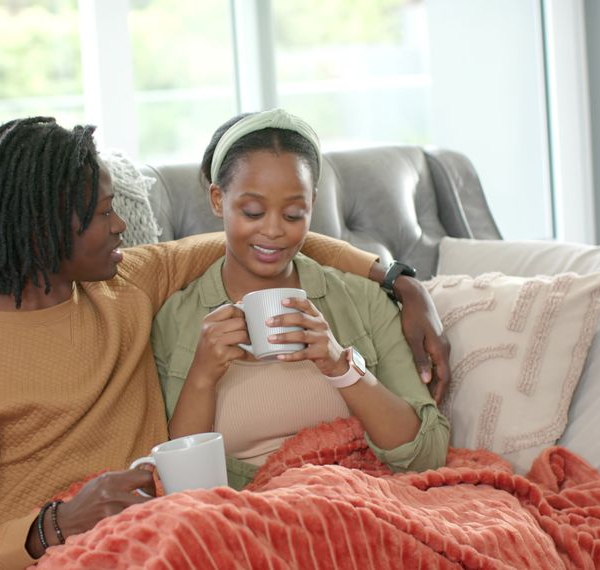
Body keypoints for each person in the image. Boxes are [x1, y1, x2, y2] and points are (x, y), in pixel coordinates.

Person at [0, 116, 450, 569]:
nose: (121, 228)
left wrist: (400, 281)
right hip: (56, 550)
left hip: (172, 530)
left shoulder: (125, 281)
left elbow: (270, 237)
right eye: (101, 214)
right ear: (43, 230)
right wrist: (55, 524)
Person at [152, 109, 450, 489]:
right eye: (253, 211)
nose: (274, 230)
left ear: (312, 203)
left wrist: (339, 364)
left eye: (294, 214)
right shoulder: (176, 319)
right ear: (217, 199)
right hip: (240, 518)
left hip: (357, 501)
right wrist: (202, 375)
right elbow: (179, 486)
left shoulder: (363, 300)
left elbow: (427, 453)